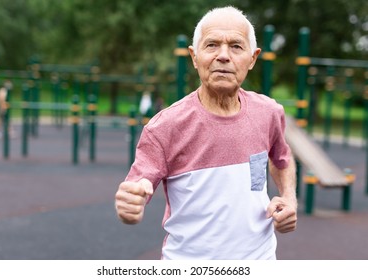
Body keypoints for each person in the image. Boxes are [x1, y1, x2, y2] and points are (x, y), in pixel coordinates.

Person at [115, 6, 297, 260]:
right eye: (212, 45)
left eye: (236, 46)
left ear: (253, 58)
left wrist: (289, 198)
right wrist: (131, 200)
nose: (223, 55)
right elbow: (138, 185)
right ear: (194, 56)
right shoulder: (165, 126)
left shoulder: (269, 112)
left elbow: (282, 159)